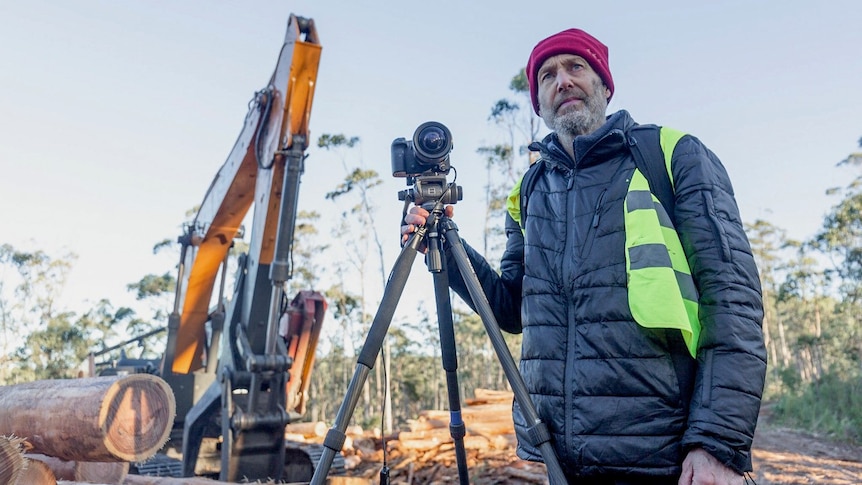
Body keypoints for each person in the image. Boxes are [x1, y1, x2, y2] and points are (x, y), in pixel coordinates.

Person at [402, 28, 767, 484]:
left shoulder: (670, 155)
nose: (563, 81)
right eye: (548, 75)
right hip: (561, 461)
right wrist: (444, 248)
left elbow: (731, 300)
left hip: (663, 457)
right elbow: (514, 310)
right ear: (539, 102)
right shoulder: (530, 191)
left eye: (577, 67)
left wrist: (716, 443)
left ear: (605, 85)